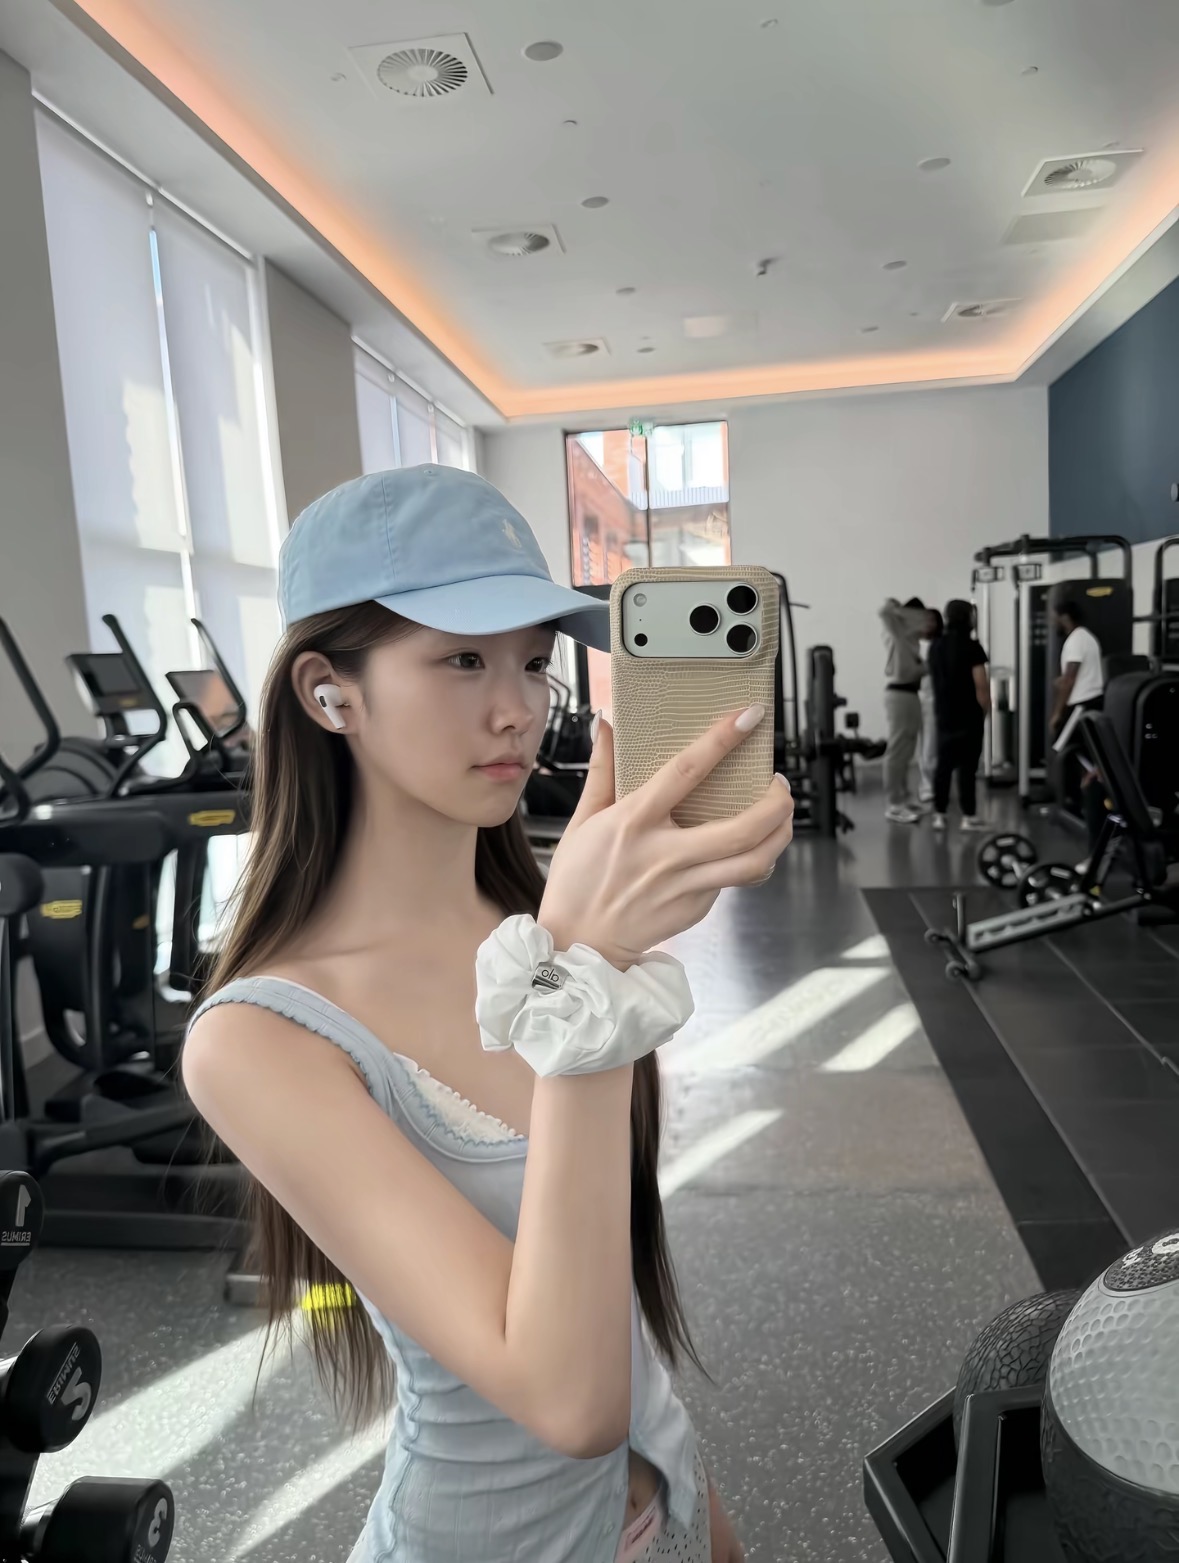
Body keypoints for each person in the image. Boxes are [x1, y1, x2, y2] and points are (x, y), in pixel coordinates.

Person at [181, 466, 794, 1563]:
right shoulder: (261, 1038)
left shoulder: (531, 930)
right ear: (329, 693)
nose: (516, 708)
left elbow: (617, 1326)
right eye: (463, 659)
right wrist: (588, 978)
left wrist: (708, 1528)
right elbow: (568, 1402)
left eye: (533, 662)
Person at [1049, 597, 1106, 865]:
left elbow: (1070, 679)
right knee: (1080, 754)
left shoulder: (1076, 640)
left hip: (1082, 704)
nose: (1052, 621)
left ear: (1063, 616)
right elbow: (1070, 676)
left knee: (1062, 747)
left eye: (1053, 615)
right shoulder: (1085, 638)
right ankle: (1086, 796)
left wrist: (1057, 713)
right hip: (1089, 702)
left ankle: (1081, 802)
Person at [927, 599, 991, 832]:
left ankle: (939, 815)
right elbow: (981, 685)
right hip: (969, 716)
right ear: (968, 618)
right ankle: (968, 816)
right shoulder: (973, 647)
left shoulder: (935, 647)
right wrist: (984, 711)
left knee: (943, 767)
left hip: (944, 714)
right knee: (967, 768)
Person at [879, 596, 933, 823]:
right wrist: (895, 605)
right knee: (898, 751)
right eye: (924, 619)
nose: (928, 624)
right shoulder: (898, 632)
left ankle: (904, 798)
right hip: (899, 694)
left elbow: (914, 669)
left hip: (910, 694)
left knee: (907, 751)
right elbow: (884, 611)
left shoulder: (911, 642)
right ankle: (894, 804)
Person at [917, 608, 944, 807]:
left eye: (932, 621)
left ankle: (930, 787)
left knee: (931, 745)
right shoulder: (915, 644)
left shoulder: (940, 645)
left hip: (934, 699)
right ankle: (926, 784)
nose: (928, 624)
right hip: (917, 697)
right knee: (922, 745)